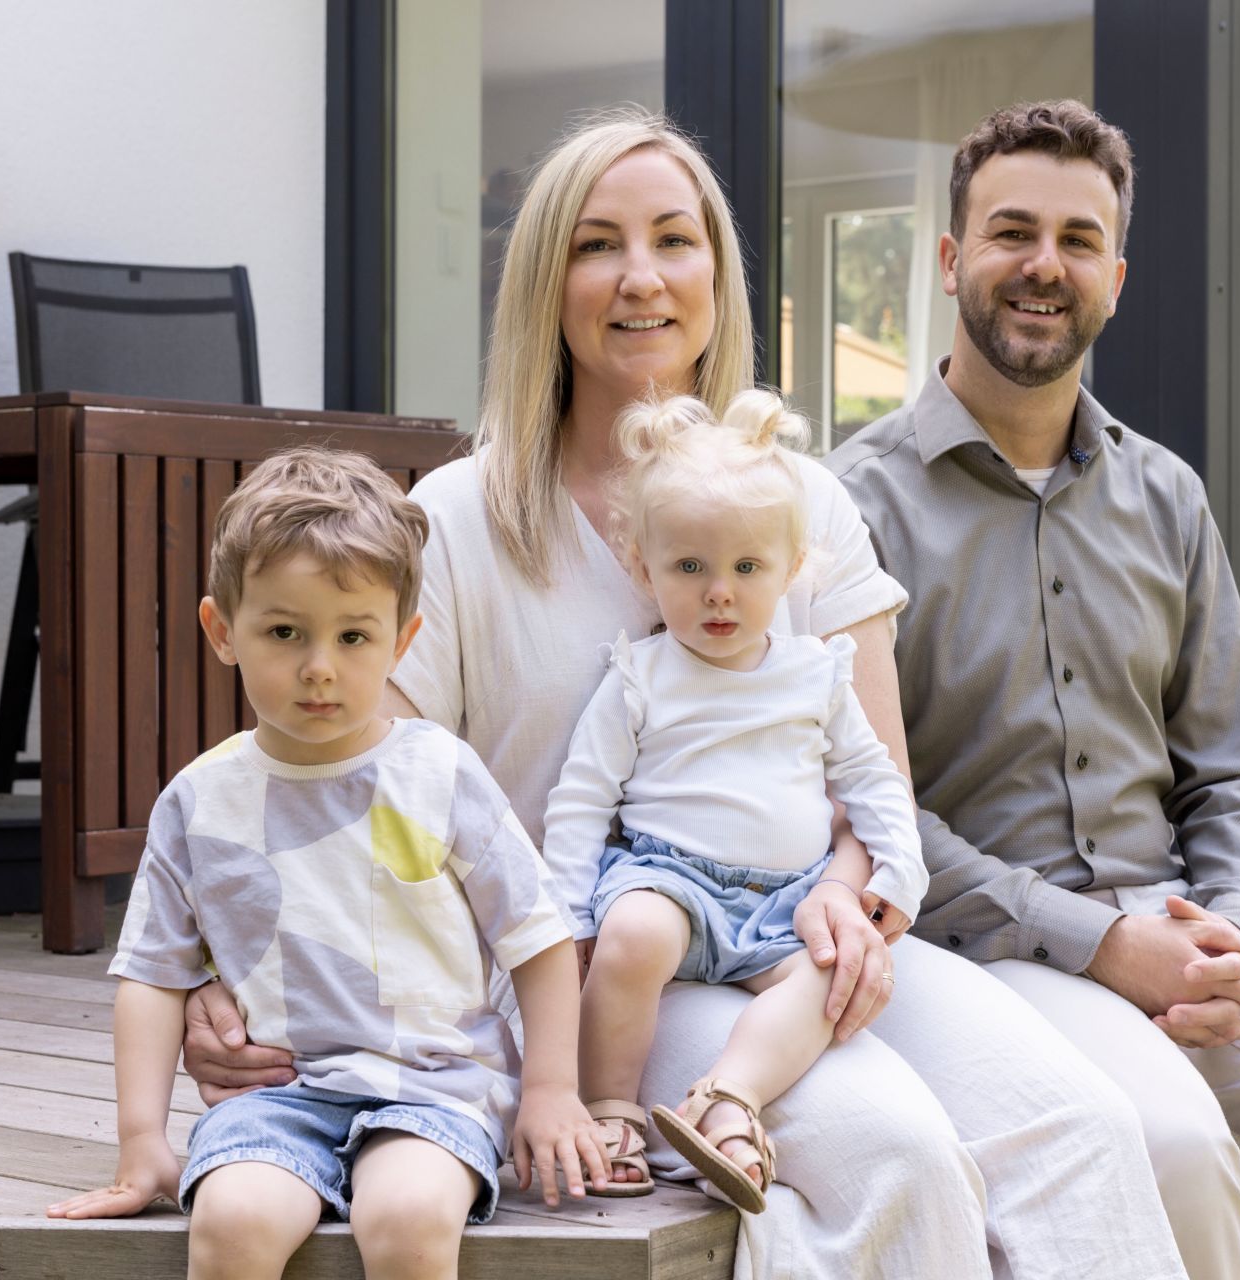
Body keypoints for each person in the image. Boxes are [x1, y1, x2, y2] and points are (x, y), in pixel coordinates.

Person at [178, 108, 1188, 1280]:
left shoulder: (804, 500)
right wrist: (218, 971)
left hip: (803, 941)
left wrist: (851, 900)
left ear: (718, 273)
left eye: (674, 239)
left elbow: (874, 787)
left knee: (1082, 1121)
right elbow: (356, 806)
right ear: (545, 280)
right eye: (597, 244)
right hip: (608, 976)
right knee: (899, 1150)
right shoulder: (452, 522)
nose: (641, 277)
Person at [827, 99, 1240, 1279]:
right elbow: (871, 811)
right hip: (1001, 951)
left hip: (1193, 927)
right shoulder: (851, 505)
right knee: (1176, 1146)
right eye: (1012, 232)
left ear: (1117, 278)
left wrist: (1235, 929)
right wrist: (1104, 941)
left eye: (1079, 240)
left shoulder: (1168, 497)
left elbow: (1235, 767)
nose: (1045, 266)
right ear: (948, 258)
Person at [45, 448, 605, 1280]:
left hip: (434, 1089)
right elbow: (154, 976)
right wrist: (142, 1140)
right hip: (274, 1099)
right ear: (222, 631)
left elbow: (537, 937)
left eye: (353, 636)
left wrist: (552, 1090)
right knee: (232, 1223)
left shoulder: (439, 775)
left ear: (402, 640)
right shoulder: (200, 802)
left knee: (407, 1218)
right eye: (284, 633)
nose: (319, 667)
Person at [541, 390, 928, 1213]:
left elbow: (873, 781)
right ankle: (610, 1109)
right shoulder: (641, 676)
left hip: (786, 902)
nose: (720, 592)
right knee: (633, 937)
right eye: (690, 568)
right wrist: (572, 917)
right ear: (643, 568)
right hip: (668, 882)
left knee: (831, 978)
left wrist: (899, 874)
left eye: (747, 568)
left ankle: (729, 1098)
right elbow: (581, 800)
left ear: (792, 571)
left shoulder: (815, 674)